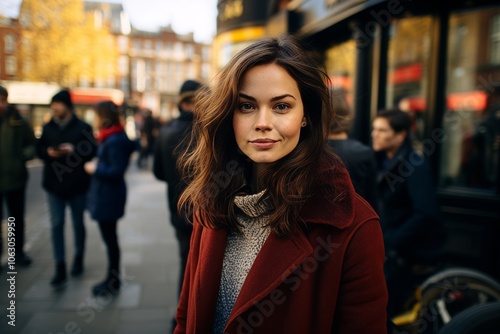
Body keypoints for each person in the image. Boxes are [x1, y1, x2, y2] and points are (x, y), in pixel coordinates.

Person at [174, 35, 387, 333]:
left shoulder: (353, 226)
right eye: (246, 106)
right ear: (228, 115)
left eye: (282, 106)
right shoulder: (211, 201)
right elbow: (186, 317)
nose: (263, 121)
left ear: (305, 117)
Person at [371, 108, 445, 316]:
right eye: (374, 129)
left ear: (401, 134)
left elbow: (426, 213)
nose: (374, 134)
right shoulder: (379, 160)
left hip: (408, 253)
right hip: (389, 248)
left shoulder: (415, 165)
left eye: (382, 130)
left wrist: (392, 240)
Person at [152, 79, 203, 331]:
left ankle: (180, 316)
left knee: (186, 260)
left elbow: (158, 173)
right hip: (207, 210)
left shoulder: (165, 132)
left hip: (178, 210)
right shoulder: (209, 130)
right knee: (206, 262)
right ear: (190, 103)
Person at [37, 89, 97, 287]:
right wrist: (47, 152)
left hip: (77, 185)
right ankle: (60, 265)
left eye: (58, 104)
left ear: (67, 106)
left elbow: (92, 151)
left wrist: (74, 150)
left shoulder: (83, 127)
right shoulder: (47, 128)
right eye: (52, 104)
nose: (54, 108)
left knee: (78, 223)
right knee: (57, 224)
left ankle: (78, 258)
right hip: (54, 185)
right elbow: (39, 150)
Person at [84, 100, 136, 296]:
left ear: (104, 116)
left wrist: (95, 168)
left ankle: (113, 281)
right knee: (110, 240)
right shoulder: (111, 136)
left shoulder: (114, 139)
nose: (94, 119)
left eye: (96, 115)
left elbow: (116, 170)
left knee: (111, 241)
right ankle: (112, 278)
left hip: (109, 197)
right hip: (107, 195)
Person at [0, 85, 36, 267]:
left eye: (2, 100)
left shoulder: (18, 120)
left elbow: (31, 144)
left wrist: (24, 155)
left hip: (15, 178)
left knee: (15, 219)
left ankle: (17, 253)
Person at [326, 87, 378, 210]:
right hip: (357, 223)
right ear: (347, 113)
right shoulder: (362, 152)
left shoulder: (308, 151)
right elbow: (372, 199)